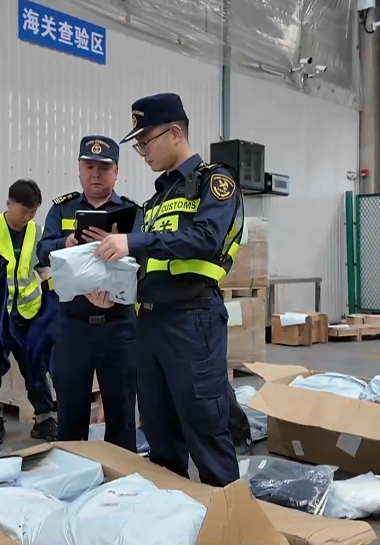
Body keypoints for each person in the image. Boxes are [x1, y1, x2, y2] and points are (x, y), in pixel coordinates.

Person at [94, 93, 244, 487]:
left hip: (192, 321)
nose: (142, 151)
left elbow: (206, 238)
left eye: (145, 140)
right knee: (158, 428)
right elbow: (142, 265)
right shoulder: (154, 202)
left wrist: (132, 242)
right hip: (148, 324)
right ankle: (173, 511)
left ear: (175, 133)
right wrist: (112, 292)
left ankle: (229, 515)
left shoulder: (215, 182)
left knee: (204, 426)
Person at [37, 136, 139, 452]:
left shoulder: (132, 212)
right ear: (79, 169)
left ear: (116, 171)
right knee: (70, 414)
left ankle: (121, 475)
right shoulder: (62, 209)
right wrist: (66, 243)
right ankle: (72, 469)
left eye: (104, 167)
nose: (96, 174)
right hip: (73, 327)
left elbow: (144, 260)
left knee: (121, 414)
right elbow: (42, 251)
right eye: (89, 166)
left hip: (118, 326)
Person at [0, 179, 58, 445]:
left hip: (28, 315)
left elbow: (43, 269)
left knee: (36, 367)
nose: (27, 217)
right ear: (9, 203)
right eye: (23, 211)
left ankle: (44, 419)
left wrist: (56, 293)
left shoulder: (37, 233)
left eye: (32, 212)